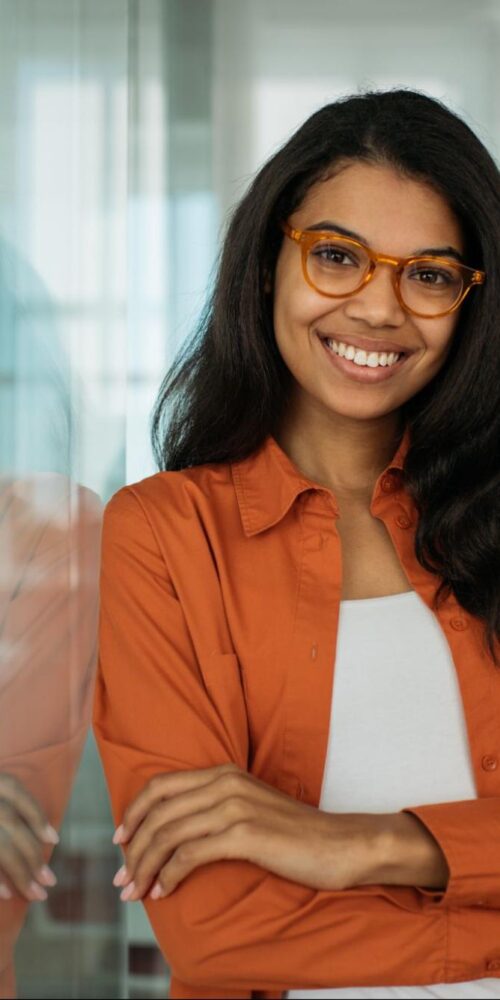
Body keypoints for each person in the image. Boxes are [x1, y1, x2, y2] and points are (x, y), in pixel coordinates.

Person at [93, 88, 500, 999]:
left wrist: (358, 844)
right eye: (337, 257)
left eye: (430, 274)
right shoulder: (162, 537)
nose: (380, 308)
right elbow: (217, 933)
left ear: (472, 304)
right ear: (269, 261)